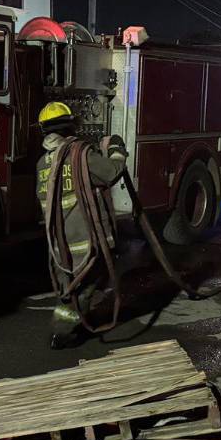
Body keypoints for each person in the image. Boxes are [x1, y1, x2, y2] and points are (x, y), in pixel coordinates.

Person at [36, 101, 128, 349]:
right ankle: (63, 332)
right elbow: (111, 172)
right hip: (86, 241)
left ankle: (67, 322)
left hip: (59, 245)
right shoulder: (81, 155)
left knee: (69, 286)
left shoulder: (43, 163)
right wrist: (117, 149)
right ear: (70, 126)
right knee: (86, 284)